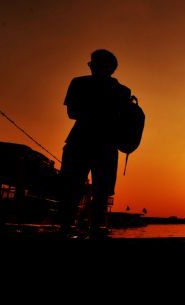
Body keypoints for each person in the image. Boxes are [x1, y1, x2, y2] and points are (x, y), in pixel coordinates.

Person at [58, 49, 131, 239]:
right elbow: (72, 112)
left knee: (94, 188)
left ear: (108, 67)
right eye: (92, 64)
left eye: (94, 64)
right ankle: (72, 225)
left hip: (90, 142)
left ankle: (88, 226)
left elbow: (74, 112)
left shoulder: (120, 91)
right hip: (93, 142)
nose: (91, 67)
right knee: (76, 186)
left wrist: (93, 110)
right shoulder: (120, 91)